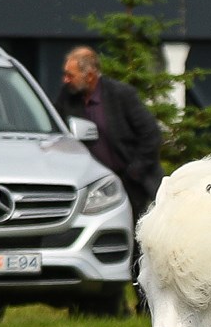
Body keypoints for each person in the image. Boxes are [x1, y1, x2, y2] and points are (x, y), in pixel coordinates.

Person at [57, 46, 163, 223]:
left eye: (71, 75)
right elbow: (58, 129)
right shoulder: (67, 97)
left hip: (131, 182)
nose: (65, 80)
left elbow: (151, 134)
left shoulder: (121, 95)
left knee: (136, 229)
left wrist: (135, 170)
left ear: (89, 76)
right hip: (93, 186)